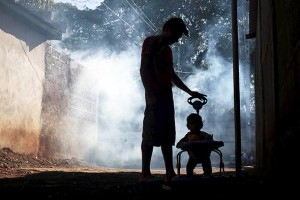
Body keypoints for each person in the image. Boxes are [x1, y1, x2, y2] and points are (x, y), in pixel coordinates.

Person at [139, 17, 207, 184]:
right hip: (154, 96)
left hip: (166, 96)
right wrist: (151, 94)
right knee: (149, 134)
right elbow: (144, 69)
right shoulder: (150, 43)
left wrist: (190, 92)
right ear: (167, 28)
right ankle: (145, 173)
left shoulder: (168, 51)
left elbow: (172, 76)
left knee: (167, 135)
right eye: (177, 34)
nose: (177, 39)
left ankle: (169, 172)